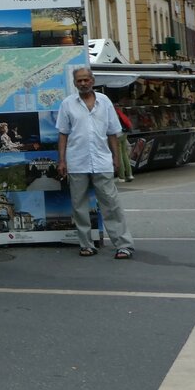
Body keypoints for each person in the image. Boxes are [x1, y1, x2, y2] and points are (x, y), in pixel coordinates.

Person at [57, 67, 135, 259]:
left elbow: (112, 132)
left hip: (101, 160)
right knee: (79, 205)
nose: (83, 83)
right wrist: (62, 160)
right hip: (77, 161)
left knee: (111, 204)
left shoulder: (105, 101)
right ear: (75, 83)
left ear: (92, 81)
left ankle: (123, 244)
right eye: (79, 81)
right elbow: (63, 134)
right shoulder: (67, 104)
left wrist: (116, 158)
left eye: (86, 80)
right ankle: (86, 244)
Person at [113, 104, 134, 183]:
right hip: (124, 134)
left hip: (117, 135)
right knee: (124, 153)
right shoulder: (120, 112)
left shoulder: (113, 113)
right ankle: (129, 174)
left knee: (119, 155)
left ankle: (121, 176)